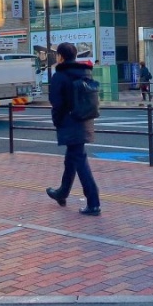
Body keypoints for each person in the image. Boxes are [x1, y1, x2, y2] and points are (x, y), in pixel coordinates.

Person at [46, 42, 101, 216]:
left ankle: (93, 203)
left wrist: (57, 122)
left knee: (79, 160)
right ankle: (62, 193)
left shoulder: (60, 76)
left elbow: (56, 103)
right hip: (85, 119)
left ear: (60, 56)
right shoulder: (85, 72)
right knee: (72, 159)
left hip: (70, 122)